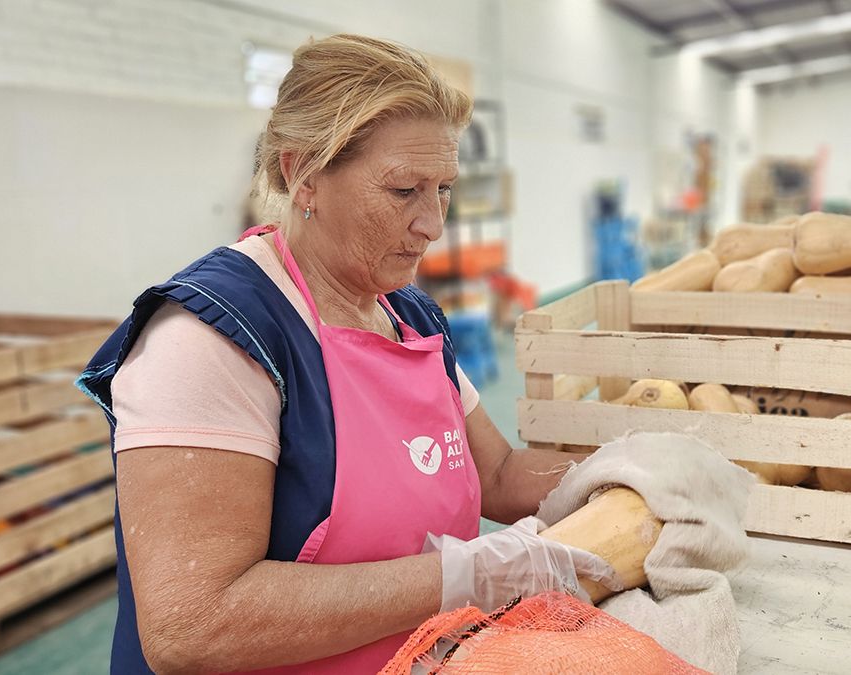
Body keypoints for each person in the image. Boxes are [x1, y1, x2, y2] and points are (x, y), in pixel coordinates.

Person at [77, 35, 619, 674]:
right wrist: (462, 576)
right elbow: (192, 625)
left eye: (443, 188)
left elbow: (495, 475)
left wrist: (620, 472)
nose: (433, 224)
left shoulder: (406, 314)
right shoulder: (214, 338)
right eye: (403, 191)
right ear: (304, 174)